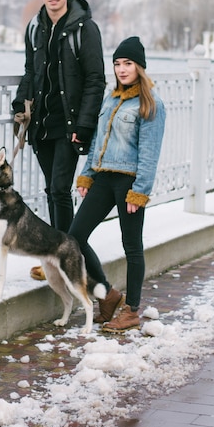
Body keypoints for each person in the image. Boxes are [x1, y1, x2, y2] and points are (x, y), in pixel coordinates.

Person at [12, 0, 105, 280]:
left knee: (59, 190)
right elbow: (30, 72)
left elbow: (95, 79)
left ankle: (65, 259)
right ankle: (58, 256)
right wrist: (19, 103)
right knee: (52, 192)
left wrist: (85, 124)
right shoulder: (35, 28)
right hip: (41, 126)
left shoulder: (85, 29)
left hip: (69, 125)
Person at [68, 36, 166, 332]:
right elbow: (97, 142)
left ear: (140, 67)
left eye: (128, 64)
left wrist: (140, 192)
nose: (122, 69)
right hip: (103, 177)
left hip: (129, 183)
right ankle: (108, 295)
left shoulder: (151, 103)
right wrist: (87, 175)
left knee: (132, 246)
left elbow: (150, 154)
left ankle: (132, 310)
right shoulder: (110, 99)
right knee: (75, 236)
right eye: (117, 64)